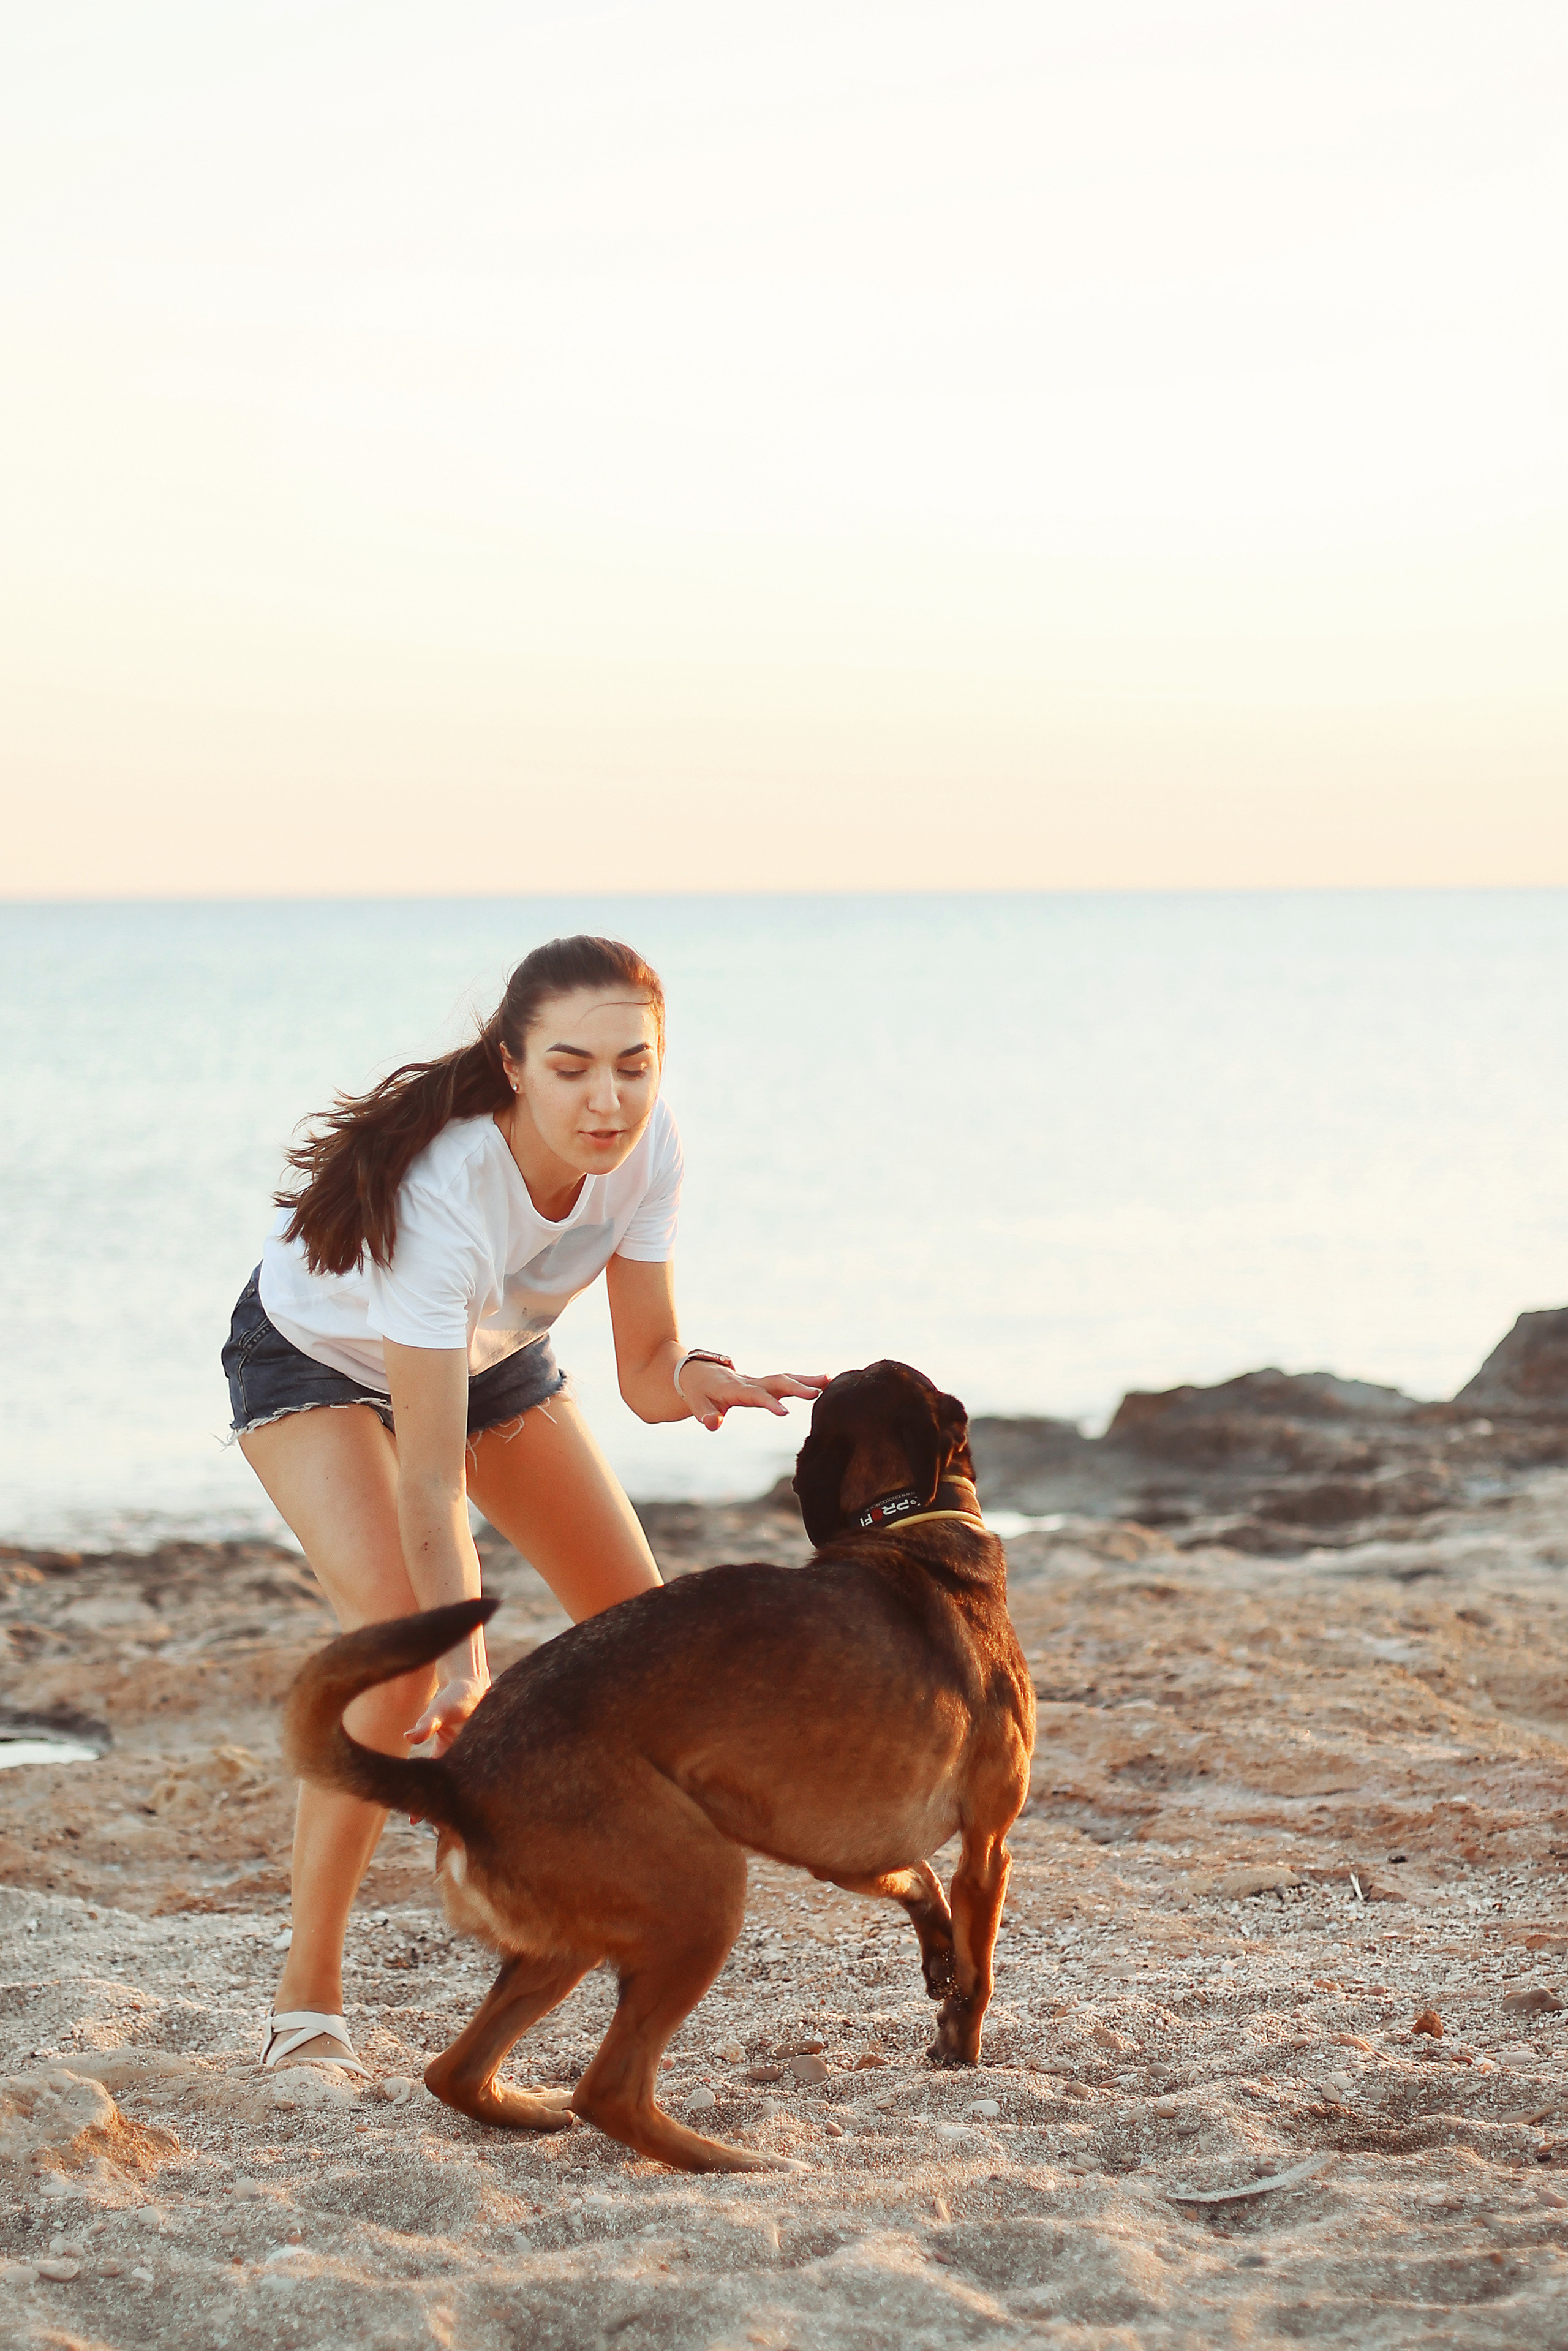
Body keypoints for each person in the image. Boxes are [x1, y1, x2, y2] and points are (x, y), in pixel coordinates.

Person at [222, 934, 823, 2077]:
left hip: (490, 1357)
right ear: (512, 1065)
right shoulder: (447, 1195)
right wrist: (466, 1667)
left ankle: (594, 1906)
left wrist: (707, 1377)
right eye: (571, 1067)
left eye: (634, 1066)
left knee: (646, 1641)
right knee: (401, 1655)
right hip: (317, 1359)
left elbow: (646, 1369)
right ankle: (306, 2003)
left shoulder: (651, 1150)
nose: (608, 1099)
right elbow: (430, 1478)